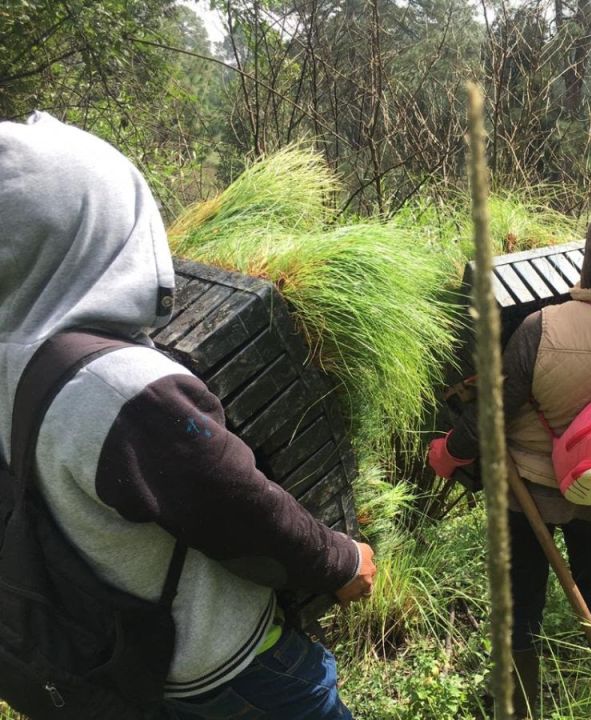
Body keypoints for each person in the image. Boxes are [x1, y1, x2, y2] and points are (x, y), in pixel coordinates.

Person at [0, 113, 375, 718]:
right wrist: (341, 560)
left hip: (122, 661)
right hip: (222, 674)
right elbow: (240, 510)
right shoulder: (117, 386)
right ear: (94, 229)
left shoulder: (13, 358)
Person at [429, 190, 591, 717]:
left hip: (533, 493)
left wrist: (449, 453)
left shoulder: (543, 329)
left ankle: (519, 705)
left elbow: (491, 418)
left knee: (523, 595)